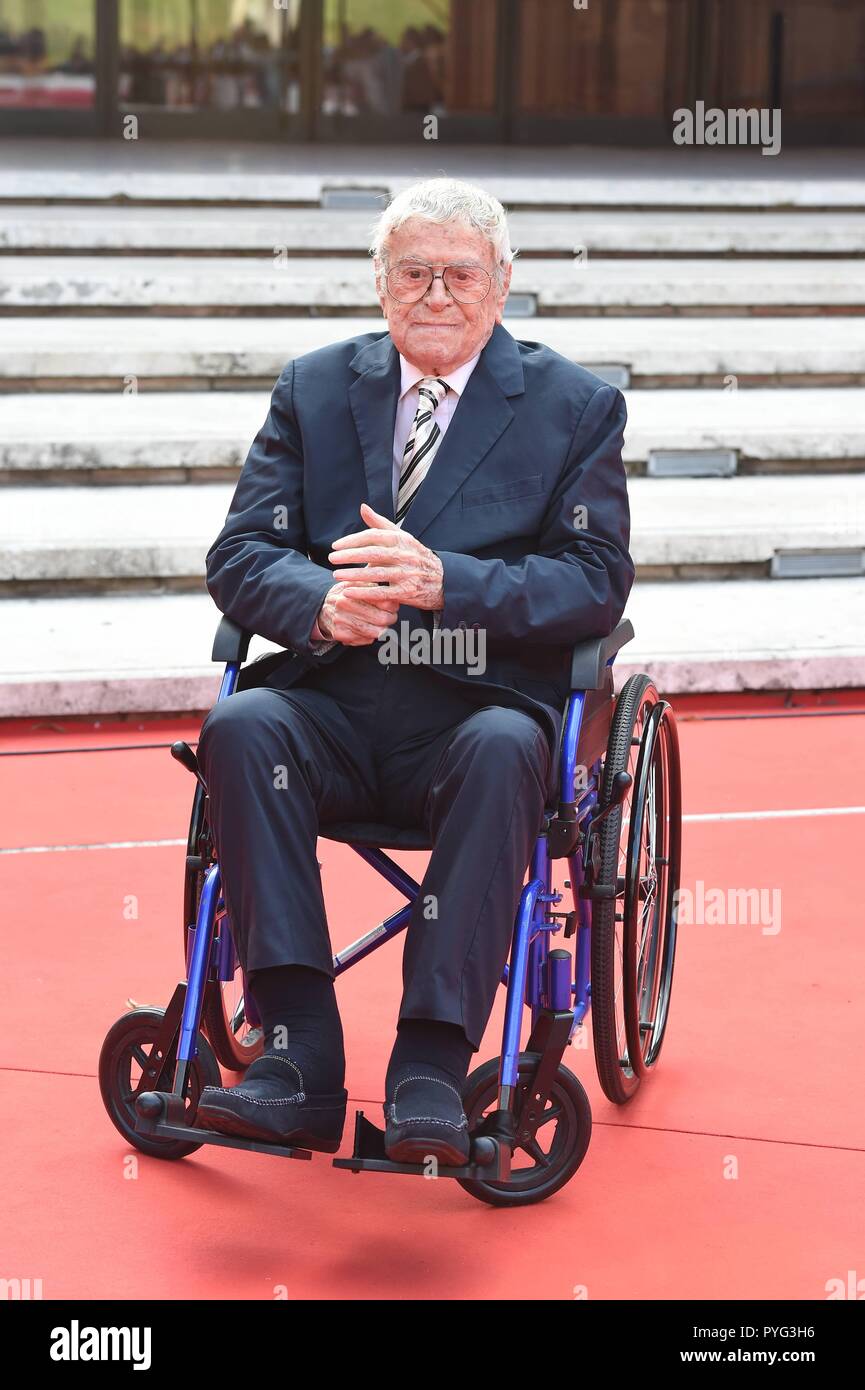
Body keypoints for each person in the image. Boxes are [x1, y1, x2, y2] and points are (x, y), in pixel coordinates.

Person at [195, 177, 633, 1165]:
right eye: (413, 273)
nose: (436, 294)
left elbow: (595, 579)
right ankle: (296, 1056)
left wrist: (448, 583)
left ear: (502, 283)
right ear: (380, 282)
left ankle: (430, 1066)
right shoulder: (313, 388)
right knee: (241, 726)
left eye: (460, 275)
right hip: (334, 705)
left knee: (503, 746)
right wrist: (317, 601)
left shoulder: (574, 407)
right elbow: (240, 554)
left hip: (477, 707)